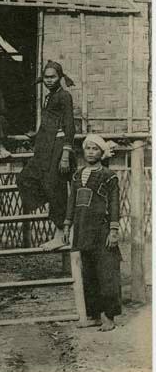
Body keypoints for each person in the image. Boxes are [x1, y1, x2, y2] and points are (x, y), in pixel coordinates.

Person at [63, 134, 121, 332]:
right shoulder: (77, 175)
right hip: (82, 230)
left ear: (101, 152)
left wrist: (113, 230)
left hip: (101, 230)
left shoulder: (108, 176)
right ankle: (94, 315)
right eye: (87, 148)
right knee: (87, 275)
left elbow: (114, 204)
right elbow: (72, 202)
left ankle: (109, 317)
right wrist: (67, 225)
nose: (90, 152)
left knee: (106, 274)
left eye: (95, 149)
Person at [17, 60, 75, 250]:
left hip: (58, 148)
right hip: (43, 147)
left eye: (53, 77)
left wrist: (66, 153)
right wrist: (37, 134)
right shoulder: (48, 97)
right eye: (47, 77)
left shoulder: (64, 96)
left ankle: (61, 234)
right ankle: (57, 212)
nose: (49, 80)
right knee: (26, 178)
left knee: (55, 188)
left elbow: (69, 125)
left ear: (60, 77)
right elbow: (49, 122)